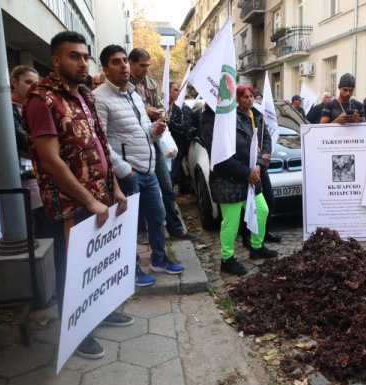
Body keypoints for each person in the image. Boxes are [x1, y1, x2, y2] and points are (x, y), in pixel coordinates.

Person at [24, 31, 134, 359]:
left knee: (98, 266)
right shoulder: (41, 99)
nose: (82, 62)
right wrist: (88, 200)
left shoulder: (83, 94)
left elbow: (100, 144)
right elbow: (50, 160)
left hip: (102, 198)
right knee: (73, 270)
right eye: (74, 56)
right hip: (72, 205)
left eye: (85, 56)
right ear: (55, 60)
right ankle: (76, 332)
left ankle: (99, 312)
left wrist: (114, 188)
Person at [93, 45, 185, 278]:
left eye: (125, 60)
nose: (123, 65)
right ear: (105, 68)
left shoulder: (133, 94)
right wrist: (125, 170)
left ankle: (159, 259)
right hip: (128, 174)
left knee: (157, 216)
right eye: (116, 62)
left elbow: (142, 130)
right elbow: (100, 142)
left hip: (149, 169)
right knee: (129, 225)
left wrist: (155, 130)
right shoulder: (99, 98)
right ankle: (130, 268)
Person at [203, 85, 278, 276]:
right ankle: (227, 259)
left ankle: (256, 247)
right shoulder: (211, 119)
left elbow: (257, 142)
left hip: (250, 177)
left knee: (262, 210)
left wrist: (259, 163)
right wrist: (247, 172)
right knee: (231, 222)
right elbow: (220, 158)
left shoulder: (241, 116)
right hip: (228, 181)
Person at [128, 48, 196, 240]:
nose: (146, 70)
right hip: (133, 144)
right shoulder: (124, 85)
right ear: (131, 63)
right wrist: (144, 112)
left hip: (153, 140)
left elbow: (158, 104)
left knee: (166, 186)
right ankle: (140, 231)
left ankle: (175, 228)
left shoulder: (150, 83)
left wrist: (158, 113)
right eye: (142, 65)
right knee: (136, 191)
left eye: (148, 65)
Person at [10, 65, 52, 239]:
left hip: (40, 174)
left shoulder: (35, 107)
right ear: (14, 82)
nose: (33, 87)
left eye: (36, 83)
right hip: (24, 178)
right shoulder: (7, 109)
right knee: (38, 224)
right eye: (28, 82)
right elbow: (27, 142)